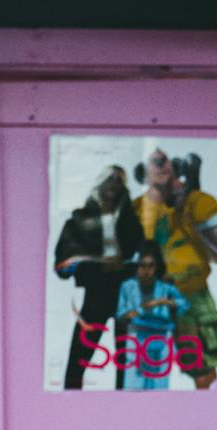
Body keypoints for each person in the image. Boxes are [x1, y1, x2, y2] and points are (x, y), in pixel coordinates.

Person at [135, 148, 217, 389]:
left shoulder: (192, 202)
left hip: (191, 292)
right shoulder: (137, 209)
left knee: (202, 361)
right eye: (155, 162)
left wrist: (188, 193)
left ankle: (205, 409)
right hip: (151, 296)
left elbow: (214, 226)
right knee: (147, 365)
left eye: (165, 162)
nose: (162, 166)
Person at [53, 165, 144, 390]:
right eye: (110, 179)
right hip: (97, 292)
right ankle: (70, 405)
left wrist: (128, 269)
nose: (114, 184)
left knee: (127, 363)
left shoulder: (131, 221)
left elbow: (144, 256)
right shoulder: (79, 220)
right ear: (100, 183)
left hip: (125, 294)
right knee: (78, 360)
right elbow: (63, 265)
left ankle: (126, 407)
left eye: (119, 180)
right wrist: (95, 267)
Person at [115, 245, 189, 391]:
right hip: (136, 337)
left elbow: (184, 303)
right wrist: (141, 310)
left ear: (156, 267)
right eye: (142, 265)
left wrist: (164, 302)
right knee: (134, 387)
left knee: (159, 386)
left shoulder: (164, 287)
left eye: (151, 266)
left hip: (161, 337)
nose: (146, 270)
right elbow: (121, 314)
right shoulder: (127, 286)